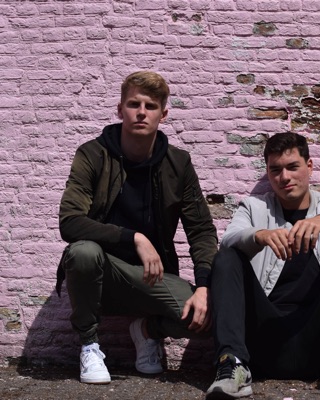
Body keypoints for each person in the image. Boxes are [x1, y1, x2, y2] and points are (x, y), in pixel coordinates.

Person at [56, 71, 218, 384]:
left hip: (151, 278)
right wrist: (134, 238)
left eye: (150, 106)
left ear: (163, 114)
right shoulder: (93, 154)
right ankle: (89, 345)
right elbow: (70, 221)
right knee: (82, 252)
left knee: (208, 318)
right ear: (120, 110)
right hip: (102, 273)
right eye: (134, 104)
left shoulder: (178, 163)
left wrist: (204, 286)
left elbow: (200, 230)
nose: (141, 112)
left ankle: (146, 331)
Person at [206, 132, 320, 400]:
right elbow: (229, 237)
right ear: (268, 173)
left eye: (292, 167)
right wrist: (259, 235)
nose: (284, 177)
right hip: (264, 341)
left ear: (309, 166)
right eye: (275, 170)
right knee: (226, 256)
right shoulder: (254, 207)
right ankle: (232, 363)